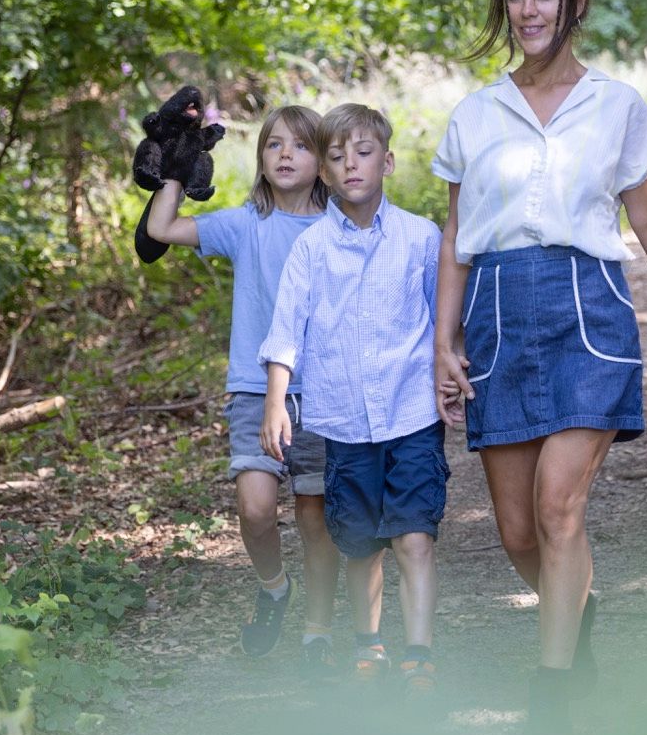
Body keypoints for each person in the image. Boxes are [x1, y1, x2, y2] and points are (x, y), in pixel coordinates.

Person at [431, 0, 647, 735]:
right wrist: (443, 340)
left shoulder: (615, 105)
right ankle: (575, 610)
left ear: (574, 2)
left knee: (559, 507)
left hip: (587, 312)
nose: (528, 10)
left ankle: (551, 692)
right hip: (494, 314)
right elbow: (455, 237)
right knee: (517, 529)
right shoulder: (475, 114)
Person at [260, 104, 448, 698]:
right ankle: (370, 645)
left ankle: (419, 655)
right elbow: (286, 329)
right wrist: (275, 401)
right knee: (360, 543)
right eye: (337, 158)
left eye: (363, 153)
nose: (351, 166)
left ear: (386, 161)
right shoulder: (311, 249)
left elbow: (443, 322)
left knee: (414, 536)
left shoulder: (421, 237)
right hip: (341, 421)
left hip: (411, 414)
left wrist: (451, 373)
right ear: (325, 173)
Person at [145, 105, 340, 671]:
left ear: (322, 160)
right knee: (255, 510)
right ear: (260, 158)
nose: (285, 154)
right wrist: (176, 169)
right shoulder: (245, 223)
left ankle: (318, 631)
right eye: (274, 144)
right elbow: (160, 230)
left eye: (300, 145)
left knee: (316, 519)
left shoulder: (340, 227)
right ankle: (275, 589)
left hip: (324, 393)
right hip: (256, 390)